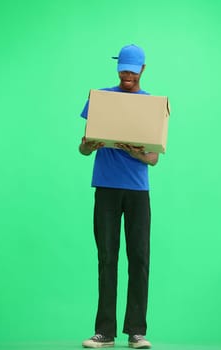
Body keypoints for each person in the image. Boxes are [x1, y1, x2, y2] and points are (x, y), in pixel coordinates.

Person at [79, 44, 159, 349]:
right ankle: (105, 332)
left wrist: (138, 153)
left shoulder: (151, 105)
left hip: (138, 191)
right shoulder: (101, 99)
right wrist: (90, 145)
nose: (126, 75)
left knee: (139, 259)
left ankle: (136, 331)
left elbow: (154, 159)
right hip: (106, 188)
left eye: (132, 70)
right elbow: (83, 147)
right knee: (106, 258)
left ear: (142, 69)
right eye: (122, 69)